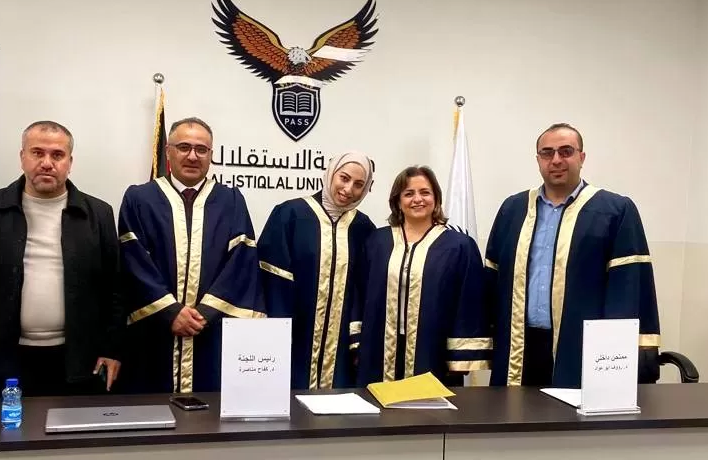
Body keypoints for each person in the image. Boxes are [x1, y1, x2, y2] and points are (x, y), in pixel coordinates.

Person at [0, 121, 123, 397]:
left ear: (70, 162)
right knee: (6, 426)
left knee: (71, 427)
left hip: (78, 360)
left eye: (57, 155)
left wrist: (112, 348)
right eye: (37, 153)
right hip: (5, 357)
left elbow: (115, 288)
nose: (47, 163)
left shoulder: (97, 214)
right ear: (22, 157)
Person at [486, 123, 660, 389]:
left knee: (568, 414)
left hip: (580, 345)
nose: (556, 160)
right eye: (547, 153)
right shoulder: (513, 209)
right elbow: (492, 281)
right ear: (538, 160)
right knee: (513, 413)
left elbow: (627, 290)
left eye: (566, 151)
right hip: (518, 344)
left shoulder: (615, 211)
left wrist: (616, 355)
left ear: (582, 157)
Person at [118, 117, 260, 394]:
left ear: (211, 155)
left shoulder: (231, 200)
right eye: (184, 147)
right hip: (155, 333)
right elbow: (134, 261)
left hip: (211, 331)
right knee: (154, 411)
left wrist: (203, 315)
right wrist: (171, 312)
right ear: (168, 151)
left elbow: (241, 262)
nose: (193, 156)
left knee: (209, 411)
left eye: (201, 149)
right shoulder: (140, 198)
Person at [355, 165, 489, 385]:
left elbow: (469, 303)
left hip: (433, 350)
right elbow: (359, 294)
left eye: (425, 192)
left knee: (427, 405)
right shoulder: (377, 242)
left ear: (436, 199)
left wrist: (461, 357)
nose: (417, 199)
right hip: (378, 350)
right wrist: (357, 342)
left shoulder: (459, 246)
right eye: (409, 193)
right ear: (398, 201)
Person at [258, 152, 376, 389]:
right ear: (331, 173)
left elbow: (364, 291)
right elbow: (271, 281)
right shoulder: (289, 215)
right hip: (295, 338)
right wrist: (277, 335)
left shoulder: (364, 228)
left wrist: (357, 339)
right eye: (344, 178)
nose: (348, 189)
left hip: (341, 346)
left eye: (358, 184)